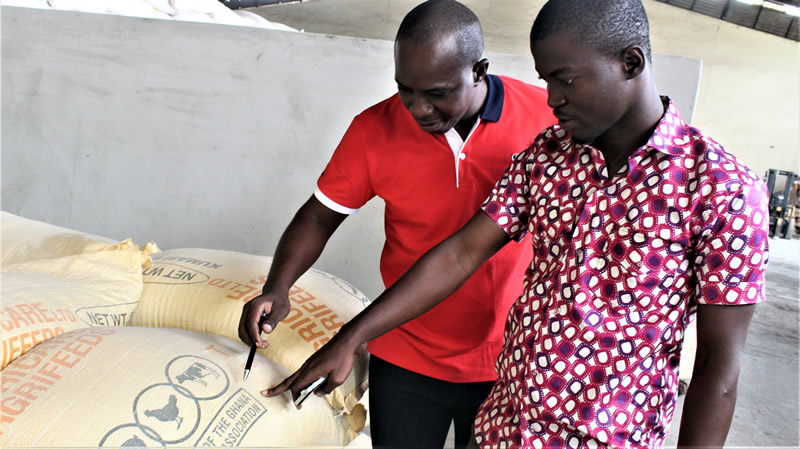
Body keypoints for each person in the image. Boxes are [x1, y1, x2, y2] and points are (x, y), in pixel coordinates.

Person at [265, 0, 770, 448]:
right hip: (504, 425)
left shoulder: (721, 189)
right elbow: (462, 252)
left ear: (630, 63)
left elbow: (718, 370)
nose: (551, 99)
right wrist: (350, 337)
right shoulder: (550, 155)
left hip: (604, 437)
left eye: (565, 79)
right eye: (546, 79)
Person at [238, 1, 554, 447]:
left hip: (509, 356)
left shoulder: (547, 119)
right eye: (406, 90)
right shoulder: (374, 129)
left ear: (479, 70)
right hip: (404, 351)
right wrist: (278, 285)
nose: (418, 109)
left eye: (438, 92)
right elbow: (319, 214)